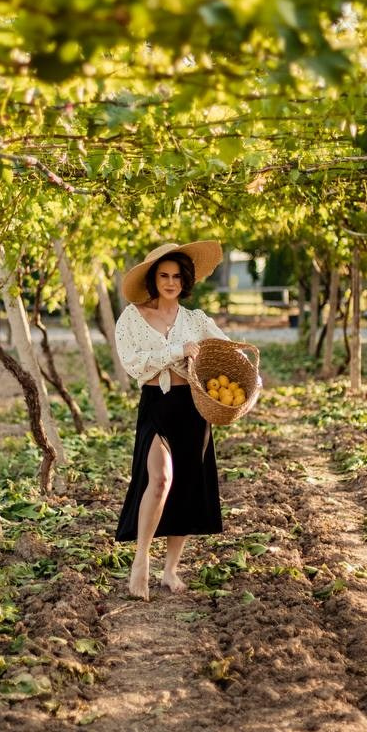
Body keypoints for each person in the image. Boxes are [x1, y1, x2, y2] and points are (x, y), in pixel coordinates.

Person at [114, 240, 238, 601]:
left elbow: (227, 351)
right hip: (157, 403)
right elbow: (134, 363)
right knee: (160, 479)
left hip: (193, 408)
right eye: (164, 275)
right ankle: (141, 560)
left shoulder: (196, 320)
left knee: (183, 484)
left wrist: (250, 378)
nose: (170, 282)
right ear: (153, 279)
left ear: (185, 281)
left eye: (177, 276)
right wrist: (176, 351)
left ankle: (170, 569)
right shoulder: (132, 317)